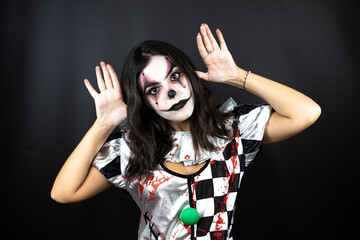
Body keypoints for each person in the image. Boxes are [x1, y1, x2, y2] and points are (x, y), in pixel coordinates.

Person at [51, 24, 321, 239]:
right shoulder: (133, 149)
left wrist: (236, 76)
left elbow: (307, 112)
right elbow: (63, 192)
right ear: (143, 102)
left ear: (190, 75)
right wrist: (104, 124)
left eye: (175, 76)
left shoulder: (235, 130)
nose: (170, 92)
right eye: (153, 90)